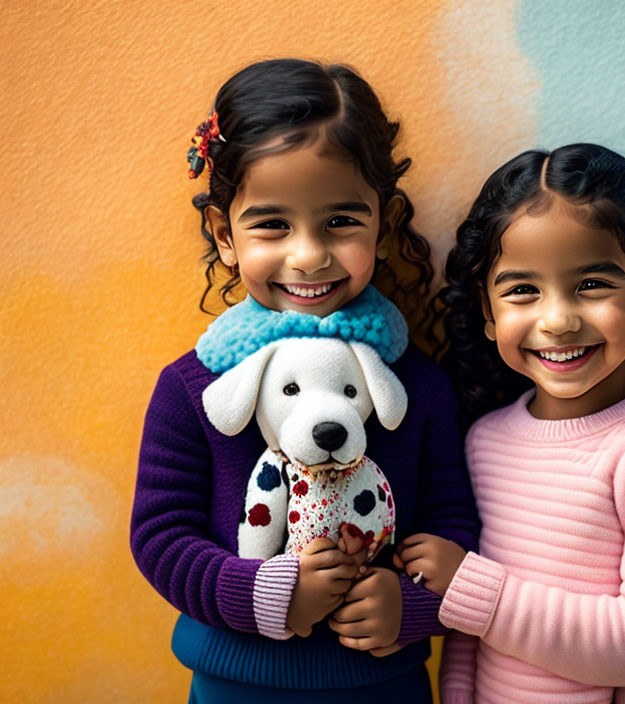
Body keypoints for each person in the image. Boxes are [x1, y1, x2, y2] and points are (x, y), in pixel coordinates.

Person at [130, 58, 478, 703]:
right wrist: (268, 595)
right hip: (238, 684)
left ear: (384, 219)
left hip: (384, 682)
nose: (309, 253)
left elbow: (453, 522)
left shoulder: (417, 386)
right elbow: (161, 538)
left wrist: (412, 606)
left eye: (341, 221)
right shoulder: (192, 388)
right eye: (272, 224)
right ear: (223, 233)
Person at [395, 144, 625, 703]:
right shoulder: (484, 440)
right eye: (522, 290)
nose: (557, 319)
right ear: (488, 314)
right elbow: (470, 636)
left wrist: (474, 589)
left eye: (592, 284)